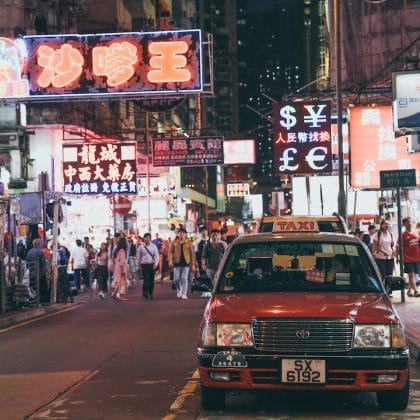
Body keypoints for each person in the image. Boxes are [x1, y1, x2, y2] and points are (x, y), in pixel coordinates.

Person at [168, 227, 196, 299]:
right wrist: (170, 261)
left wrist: (193, 264)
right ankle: (179, 289)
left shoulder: (189, 243)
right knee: (176, 280)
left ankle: (184, 293)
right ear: (178, 234)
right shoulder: (174, 243)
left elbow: (192, 254)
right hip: (176, 264)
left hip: (186, 264)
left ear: (185, 234)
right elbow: (170, 252)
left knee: (184, 278)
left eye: (183, 233)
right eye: (180, 233)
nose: (182, 234)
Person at [397, 217, 420, 297]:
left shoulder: (417, 233)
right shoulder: (403, 235)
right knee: (411, 274)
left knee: (413, 275)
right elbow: (398, 246)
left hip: (417, 258)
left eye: (410, 221)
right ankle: (416, 290)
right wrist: (398, 257)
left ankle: (409, 290)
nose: (409, 223)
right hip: (407, 258)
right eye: (407, 222)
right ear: (404, 224)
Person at [201, 230, 226, 297]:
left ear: (219, 236)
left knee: (218, 282)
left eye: (216, 235)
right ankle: (213, 296)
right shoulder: (207, 245)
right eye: (213, 235)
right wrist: (203, 264)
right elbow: (204, 256)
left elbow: (226, 255)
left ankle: (216, 296)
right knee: (211, 282)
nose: (214, 237)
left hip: (220, 267)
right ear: (210, 236)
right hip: (210, 267)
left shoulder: (222, 245)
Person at [372, 219, 395, 286]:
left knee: (389, 275)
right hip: (380, 258)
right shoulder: (378, 234)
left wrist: (393, 251)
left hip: (390, 257)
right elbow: (375, 247)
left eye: (388, 224)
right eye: (385, 224)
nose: (387, 225)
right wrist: (383, 251)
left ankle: (389, 290)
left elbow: (392, 245)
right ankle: (382, 289)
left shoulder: (390, 234)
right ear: (381, 225)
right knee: (383, 274)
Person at [26, 238, 49, 305]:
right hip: (40, 273)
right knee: (43, 287)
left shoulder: (29, 252)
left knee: (33, 288)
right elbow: (44, 264)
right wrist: (48, 273)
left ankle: (34, 301)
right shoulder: (40, 252)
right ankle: (43, 301)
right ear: (39, 244)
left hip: (31, 273)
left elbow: (27, 264)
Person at [137, 233, 160, 299]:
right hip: (144, 265)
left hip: (152, 265)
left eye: (148, 237)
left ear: (150, 238)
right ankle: (145, 292)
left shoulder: (154, 246)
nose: (146, 239)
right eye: (145, 237)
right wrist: (138, 266)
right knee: (146, 279)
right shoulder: (141, 247)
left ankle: (150, 292)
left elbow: (156, 256)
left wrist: (156, 264)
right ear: (143, 238)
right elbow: (139, 257)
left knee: (151, 280)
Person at [111, 237, 129, 301]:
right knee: (120, 280)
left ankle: (117, 294)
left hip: (117, 265)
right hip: (121, 266)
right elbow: (122, 261)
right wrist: (122, 269)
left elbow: (113, 258)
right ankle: (115, 294)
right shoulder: (122, 250)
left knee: (119, 280)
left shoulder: (117, 250)